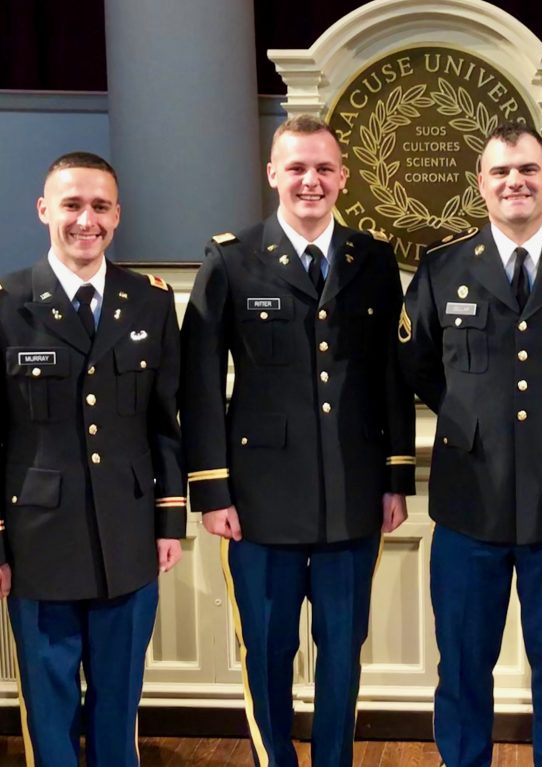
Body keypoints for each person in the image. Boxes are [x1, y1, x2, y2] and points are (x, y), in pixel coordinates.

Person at [180, 115, 414, 767]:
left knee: (342, 652)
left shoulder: (373, 258)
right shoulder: (231, 257)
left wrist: (395, 476)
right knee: (267, 649)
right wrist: (212, 489)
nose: (311, 180)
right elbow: (200, 382)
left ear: (343, 176)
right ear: (272, 174)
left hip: (352, 494)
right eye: (297, 168)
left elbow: (389, 374)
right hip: (258, 502)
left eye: (323, 168)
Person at [399, 122, 542, 767]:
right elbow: (418, 365)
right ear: (481, 184)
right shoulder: (443, 265)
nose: (515, 182)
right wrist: (472, 418)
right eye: (501, 172)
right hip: (467, 501)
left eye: (528, 169)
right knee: (462, 660)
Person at [0, 151, 185, 766]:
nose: (87, 220)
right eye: (72, 205)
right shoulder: (8, 302)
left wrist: (169, 521)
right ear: (43, 210)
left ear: (117, 215)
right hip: (38, 541)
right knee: (49, 709)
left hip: (126, 537)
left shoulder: (150, 301)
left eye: (100, 207)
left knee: (119, 703)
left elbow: (166, 423)